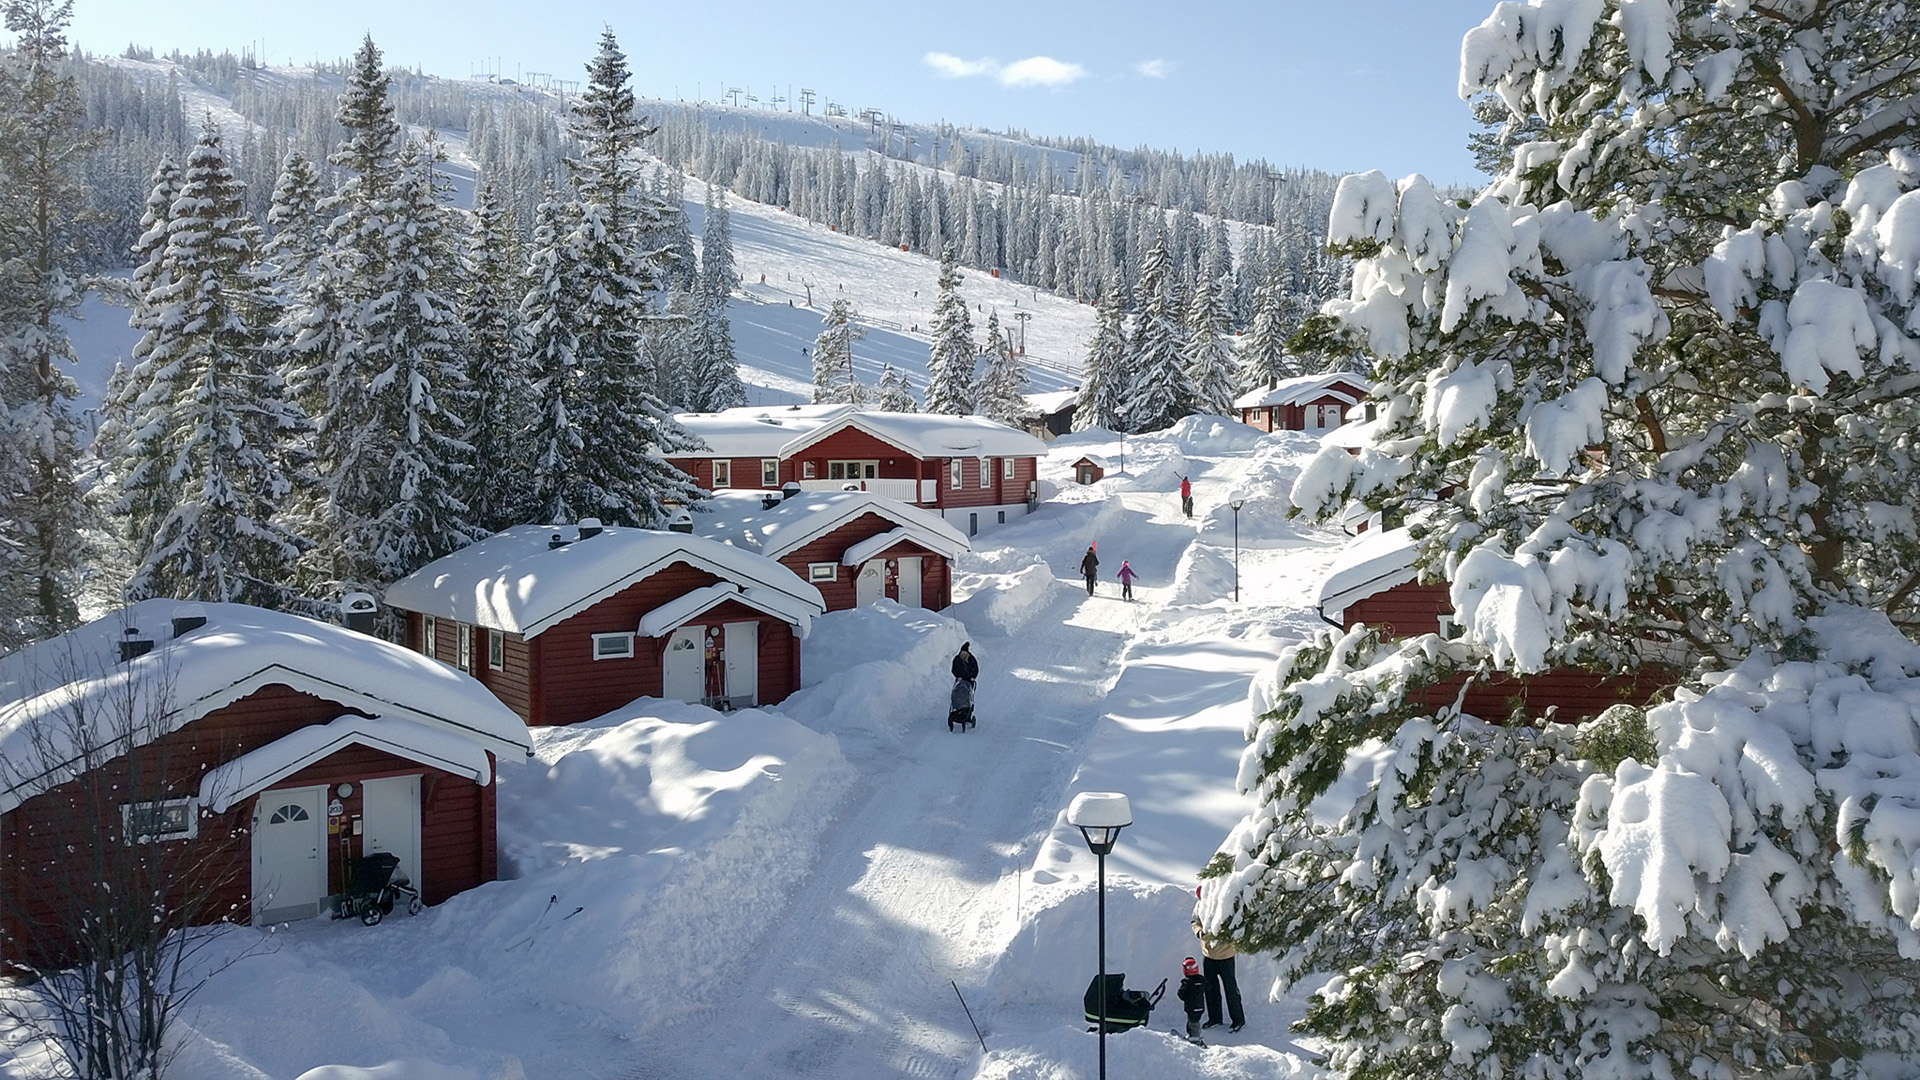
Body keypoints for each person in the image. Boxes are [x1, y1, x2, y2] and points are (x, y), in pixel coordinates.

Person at [1193, 910, 1246, 1032]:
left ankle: (1238, 1019)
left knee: (1230, 989)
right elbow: (1195, 921)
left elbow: (1236, 924)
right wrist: (1199, 931)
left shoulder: (1224, 904)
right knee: (1210, 988)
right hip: (1208, 955)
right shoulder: (1200, 906)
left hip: (1226, 956)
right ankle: (1215, 1018)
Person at [1176, 956, 1207, 1041]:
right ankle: (1195, 1035)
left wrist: (1186, 998)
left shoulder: (1186, 982)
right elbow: (1207, 987)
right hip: (1200, 1006)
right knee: (1196, 1021)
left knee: (1192, 1023)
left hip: (1191, 1007)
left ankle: (1194, 1038)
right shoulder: (1201, 979)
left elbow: (1180, 994)